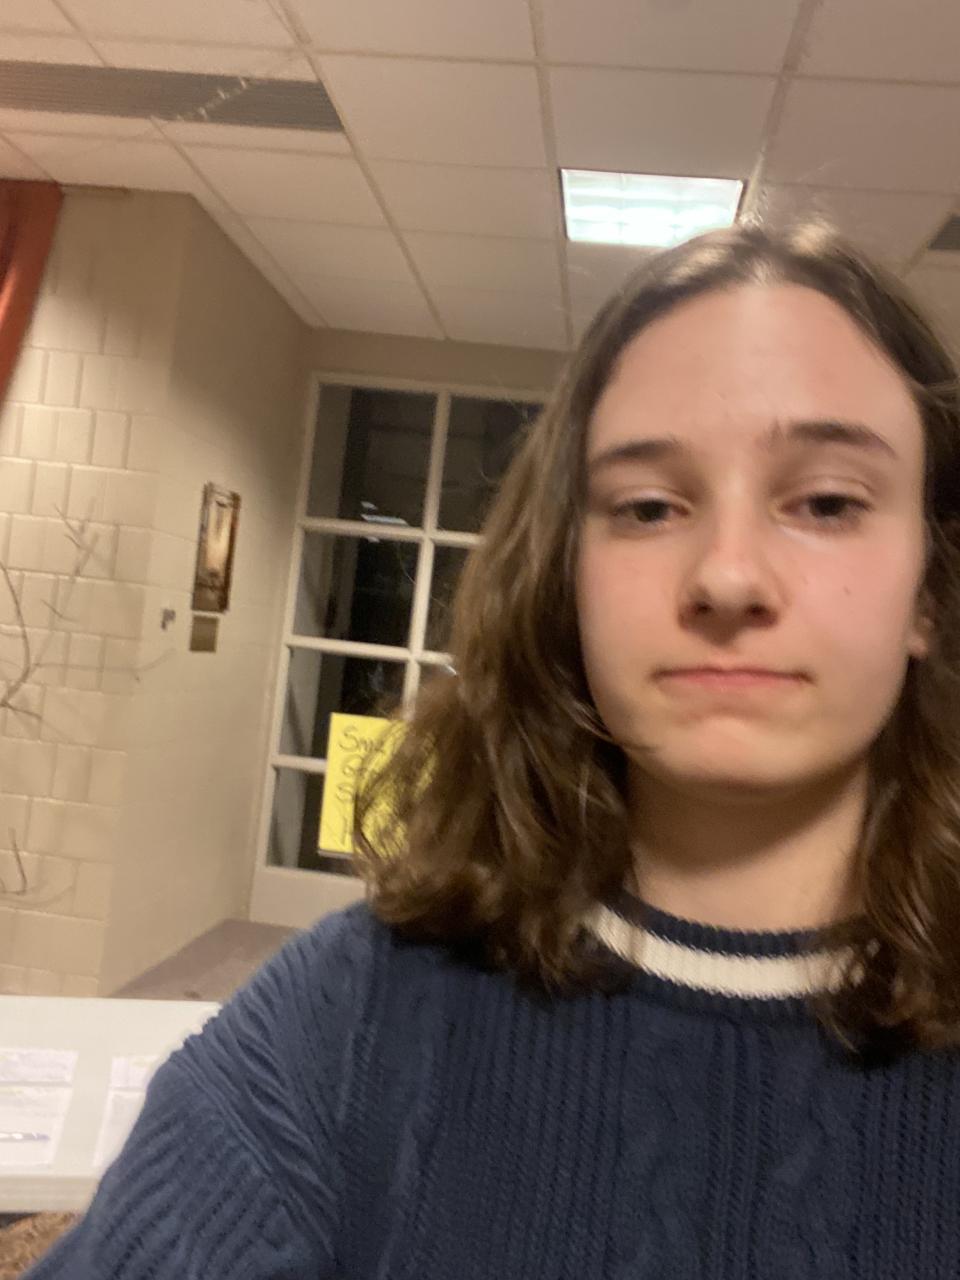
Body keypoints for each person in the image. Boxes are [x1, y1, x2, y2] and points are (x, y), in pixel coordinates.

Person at [25, 221, 960, 1278]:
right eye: (649, 506)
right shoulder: (353, 1012)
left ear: (929, 585)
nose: (729, 576)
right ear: (567, 576)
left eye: (828, 501)